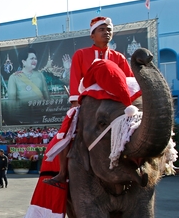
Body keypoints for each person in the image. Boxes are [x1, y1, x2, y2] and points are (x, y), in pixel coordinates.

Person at [44, 16, 134, 187]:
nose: (106, 32)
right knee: (67, 134)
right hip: (88, 102)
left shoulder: (119, 57)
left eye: (109, 30)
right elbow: (75, 77)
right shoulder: (81, 54)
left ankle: (160, 164)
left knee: (138, 130)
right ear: (92, 35)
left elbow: (129, 81)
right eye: (102, 30)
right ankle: (63, 173)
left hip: (117, 105)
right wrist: (75, 102)